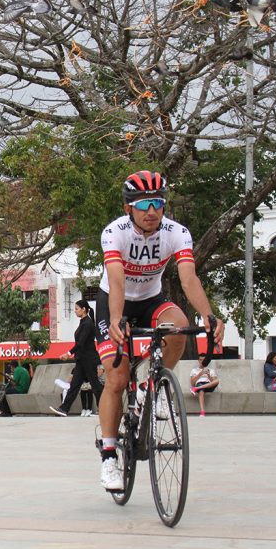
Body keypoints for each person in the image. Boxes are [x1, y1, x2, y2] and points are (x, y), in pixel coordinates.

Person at [95, 171, 224, 491]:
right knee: (117, 376)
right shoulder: (115, 233)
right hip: (115, 300)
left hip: (152, 299)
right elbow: (116, 280)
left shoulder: (176, 233)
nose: (152, 210)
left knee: (179, 326)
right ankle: (109, 456)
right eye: (144, 204)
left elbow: (188, 279)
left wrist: (209, 316)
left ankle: (152, 385)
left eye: (158, 203)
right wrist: (115, 318)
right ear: (129, 208)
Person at [50, 300, 103, 417]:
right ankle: (64, 409)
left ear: (84, 309)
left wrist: (68, 353)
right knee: (74, 385)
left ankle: (105, 408)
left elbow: (81, 343)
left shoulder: (88, 324)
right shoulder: (83, 323)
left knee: (95, 386)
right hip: (81, 360)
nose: (75, 311)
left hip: (88, 360)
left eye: (77, 309)